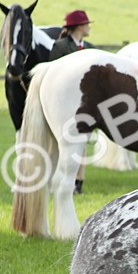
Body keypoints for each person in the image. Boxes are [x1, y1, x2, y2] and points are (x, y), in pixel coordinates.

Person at [49, 10, 95, 193]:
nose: (89, 26)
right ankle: (56, 177)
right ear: (79, 26)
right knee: (59, 142)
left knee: (82, 142)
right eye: (87, 23)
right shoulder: (60, 47)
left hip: (85, 104)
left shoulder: (91, 47)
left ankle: (79, 181)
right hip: (65, 102)